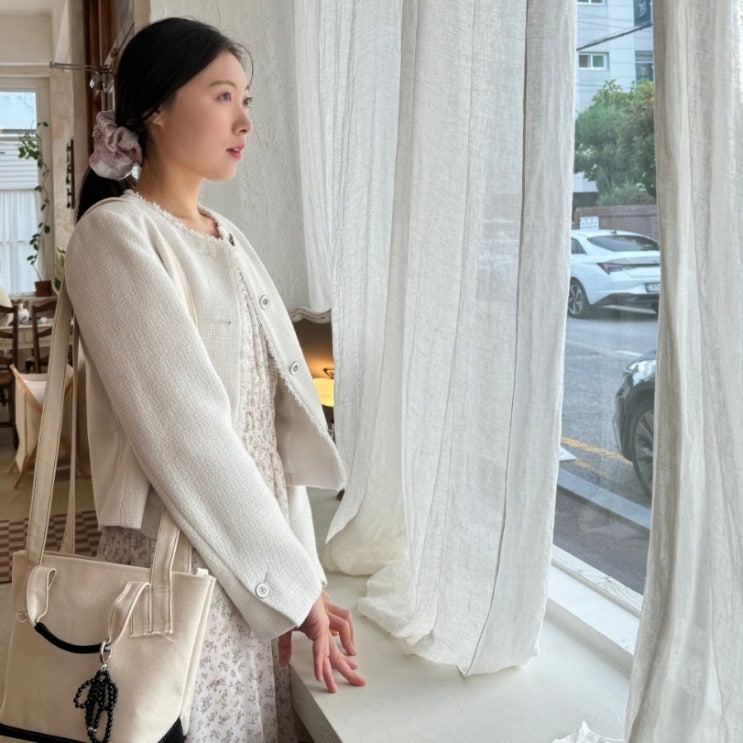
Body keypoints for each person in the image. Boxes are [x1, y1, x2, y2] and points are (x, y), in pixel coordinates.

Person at [66, 17, 364, 742]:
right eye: (223, 95)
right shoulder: (114, 234)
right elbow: (189, 436)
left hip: (249, 569)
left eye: (246, 100)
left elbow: (272, 438)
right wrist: (289, 584)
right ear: (156, 110)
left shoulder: (229, 239)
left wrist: (305, 580)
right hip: (177, 570)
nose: (245, 121)